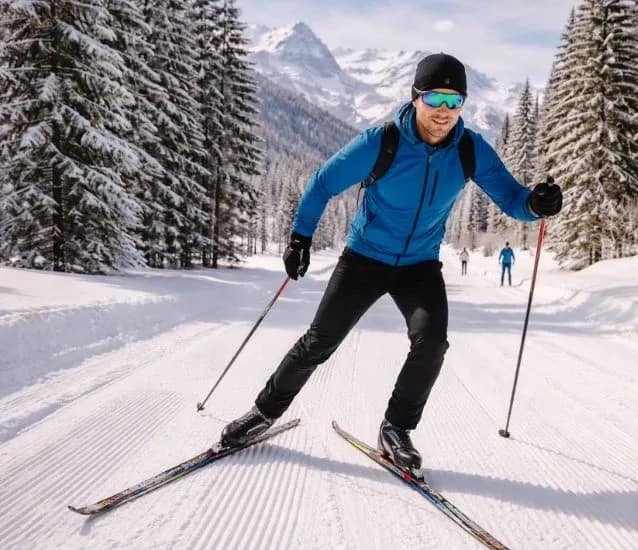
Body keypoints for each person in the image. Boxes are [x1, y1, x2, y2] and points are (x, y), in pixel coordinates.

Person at [220, 53, 563, 473]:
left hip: (419, 264)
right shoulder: (381, 141)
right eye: (435, 98)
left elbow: (513, 199)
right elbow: (323, 182)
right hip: (365, 257)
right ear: (416, 97)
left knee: (432, 342)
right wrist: (300, 237)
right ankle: (263, 412)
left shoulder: (470, 149)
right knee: (319, 341)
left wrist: (536, 203)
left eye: (455, 102)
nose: (444, 111)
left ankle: (396, 428)